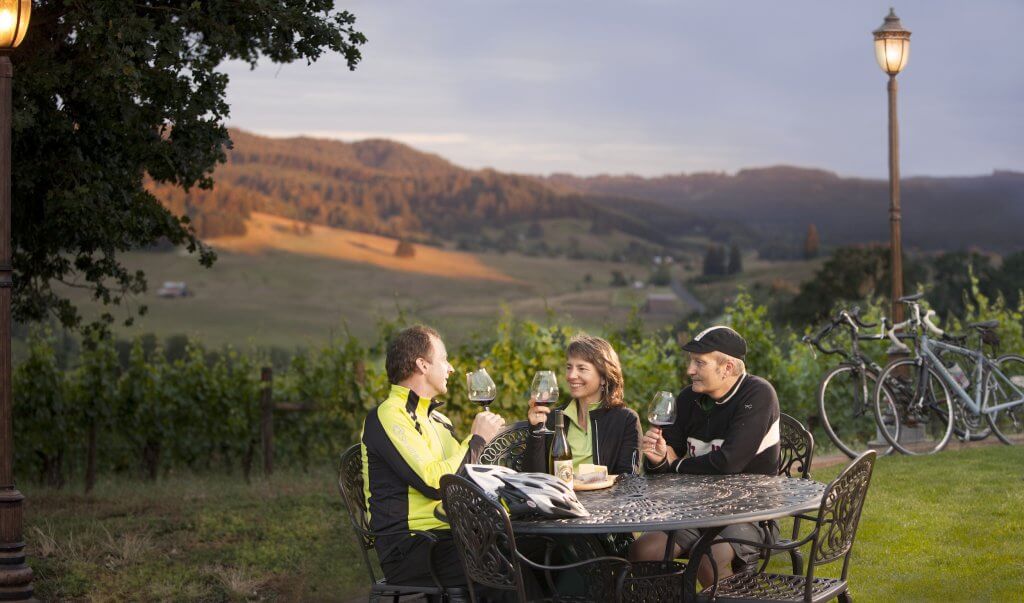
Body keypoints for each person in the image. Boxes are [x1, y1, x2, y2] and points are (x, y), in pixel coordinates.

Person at [629, 325, 781, 587]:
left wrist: (676, 464)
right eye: (691, 362)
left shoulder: (757, 394)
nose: (690, 370)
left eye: (699, 362)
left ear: (728, 368)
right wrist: (658, 461)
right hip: (692, 511)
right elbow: (664, 466)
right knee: (642, 552)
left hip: (748, 513)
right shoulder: (688, 399)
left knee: (708, 558)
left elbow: (728, 462)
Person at [360, 325, 505, 588]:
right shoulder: (390, 415)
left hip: (452, 533)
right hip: (411, 546)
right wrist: (477, 441)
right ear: (422, 365)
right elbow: (435, 484)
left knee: (534, 548)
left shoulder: (439, 419)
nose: (450, 368)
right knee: (504, 564)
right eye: (444, 359)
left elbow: (468, 475)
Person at [524, 334, 643, 476]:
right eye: (569, 367)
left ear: (604, 378)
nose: (571, 375)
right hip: (558, 497)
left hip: (605, 498)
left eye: (582, 368)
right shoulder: (552, 419)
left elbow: (628, 479)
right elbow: (533, 478)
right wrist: (536, 430)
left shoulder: (625, 420)